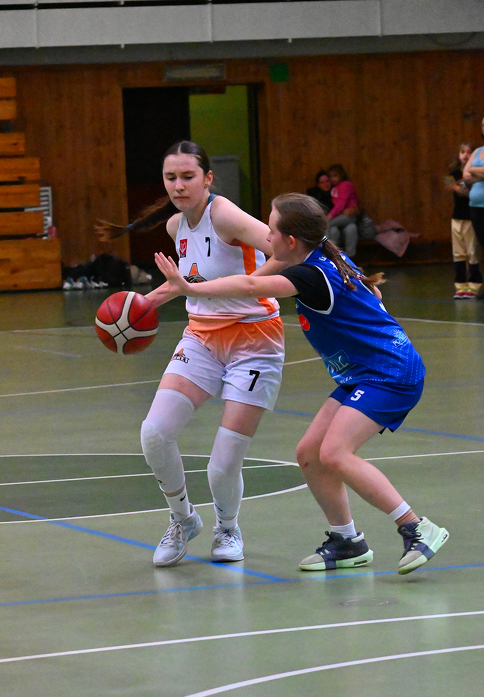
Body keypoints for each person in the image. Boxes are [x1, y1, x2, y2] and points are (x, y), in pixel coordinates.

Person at [154, 192, 449, 576]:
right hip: (363, 372)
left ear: (290, 241)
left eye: (272, 230)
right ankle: (347, 541)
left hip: (389, 373)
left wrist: (190, 288)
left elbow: (249, 286)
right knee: (310, 453)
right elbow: (372, 293)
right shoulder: (326, 257)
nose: (266, 237)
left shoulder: (309, 275)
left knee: (336, 453)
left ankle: (416, 527)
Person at [96, 140, 285, 567]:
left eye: (187, 176)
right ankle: (183, 519)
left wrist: (254, 284)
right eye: (171, 178)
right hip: (201, 337)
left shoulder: (225, 215)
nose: (178, 185)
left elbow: (284, 250)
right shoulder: (175, 226)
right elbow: (188, 283)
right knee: (154, 433)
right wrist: (137, 308)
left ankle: (227, 527)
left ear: (207, 178)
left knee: (222, 465)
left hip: (255, 340)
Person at [445, 142, 482, 299]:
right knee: (458, 252)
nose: (465, 155)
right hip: (457, 218)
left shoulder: (474, 174)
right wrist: (455, 188)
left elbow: (466, 192)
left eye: (468, 152)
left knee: (472, 252)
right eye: (462, 152)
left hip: (470, 217)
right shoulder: (454, 172)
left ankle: (475, 283)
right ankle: (460, 284)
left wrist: (459, 189)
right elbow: (449, 185)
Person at [463, 115, 484, 300]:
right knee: (481, 245)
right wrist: (479, 173)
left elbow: (471, 172)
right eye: (483, 124)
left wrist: (474, 171)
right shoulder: (477, 151)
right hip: (476, 206)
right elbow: (465, 174)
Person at [326, 164, 360, 258]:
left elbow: (341, 204)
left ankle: (327, 251)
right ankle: (344, 257)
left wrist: (330, 215)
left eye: (335, 175)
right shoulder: (337, 188)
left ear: (341, 175)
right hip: (343, 216)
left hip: (347, 215)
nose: (333, 179)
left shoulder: (344, 185)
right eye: (331, 177)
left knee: (328, 224)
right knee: (350, 228)